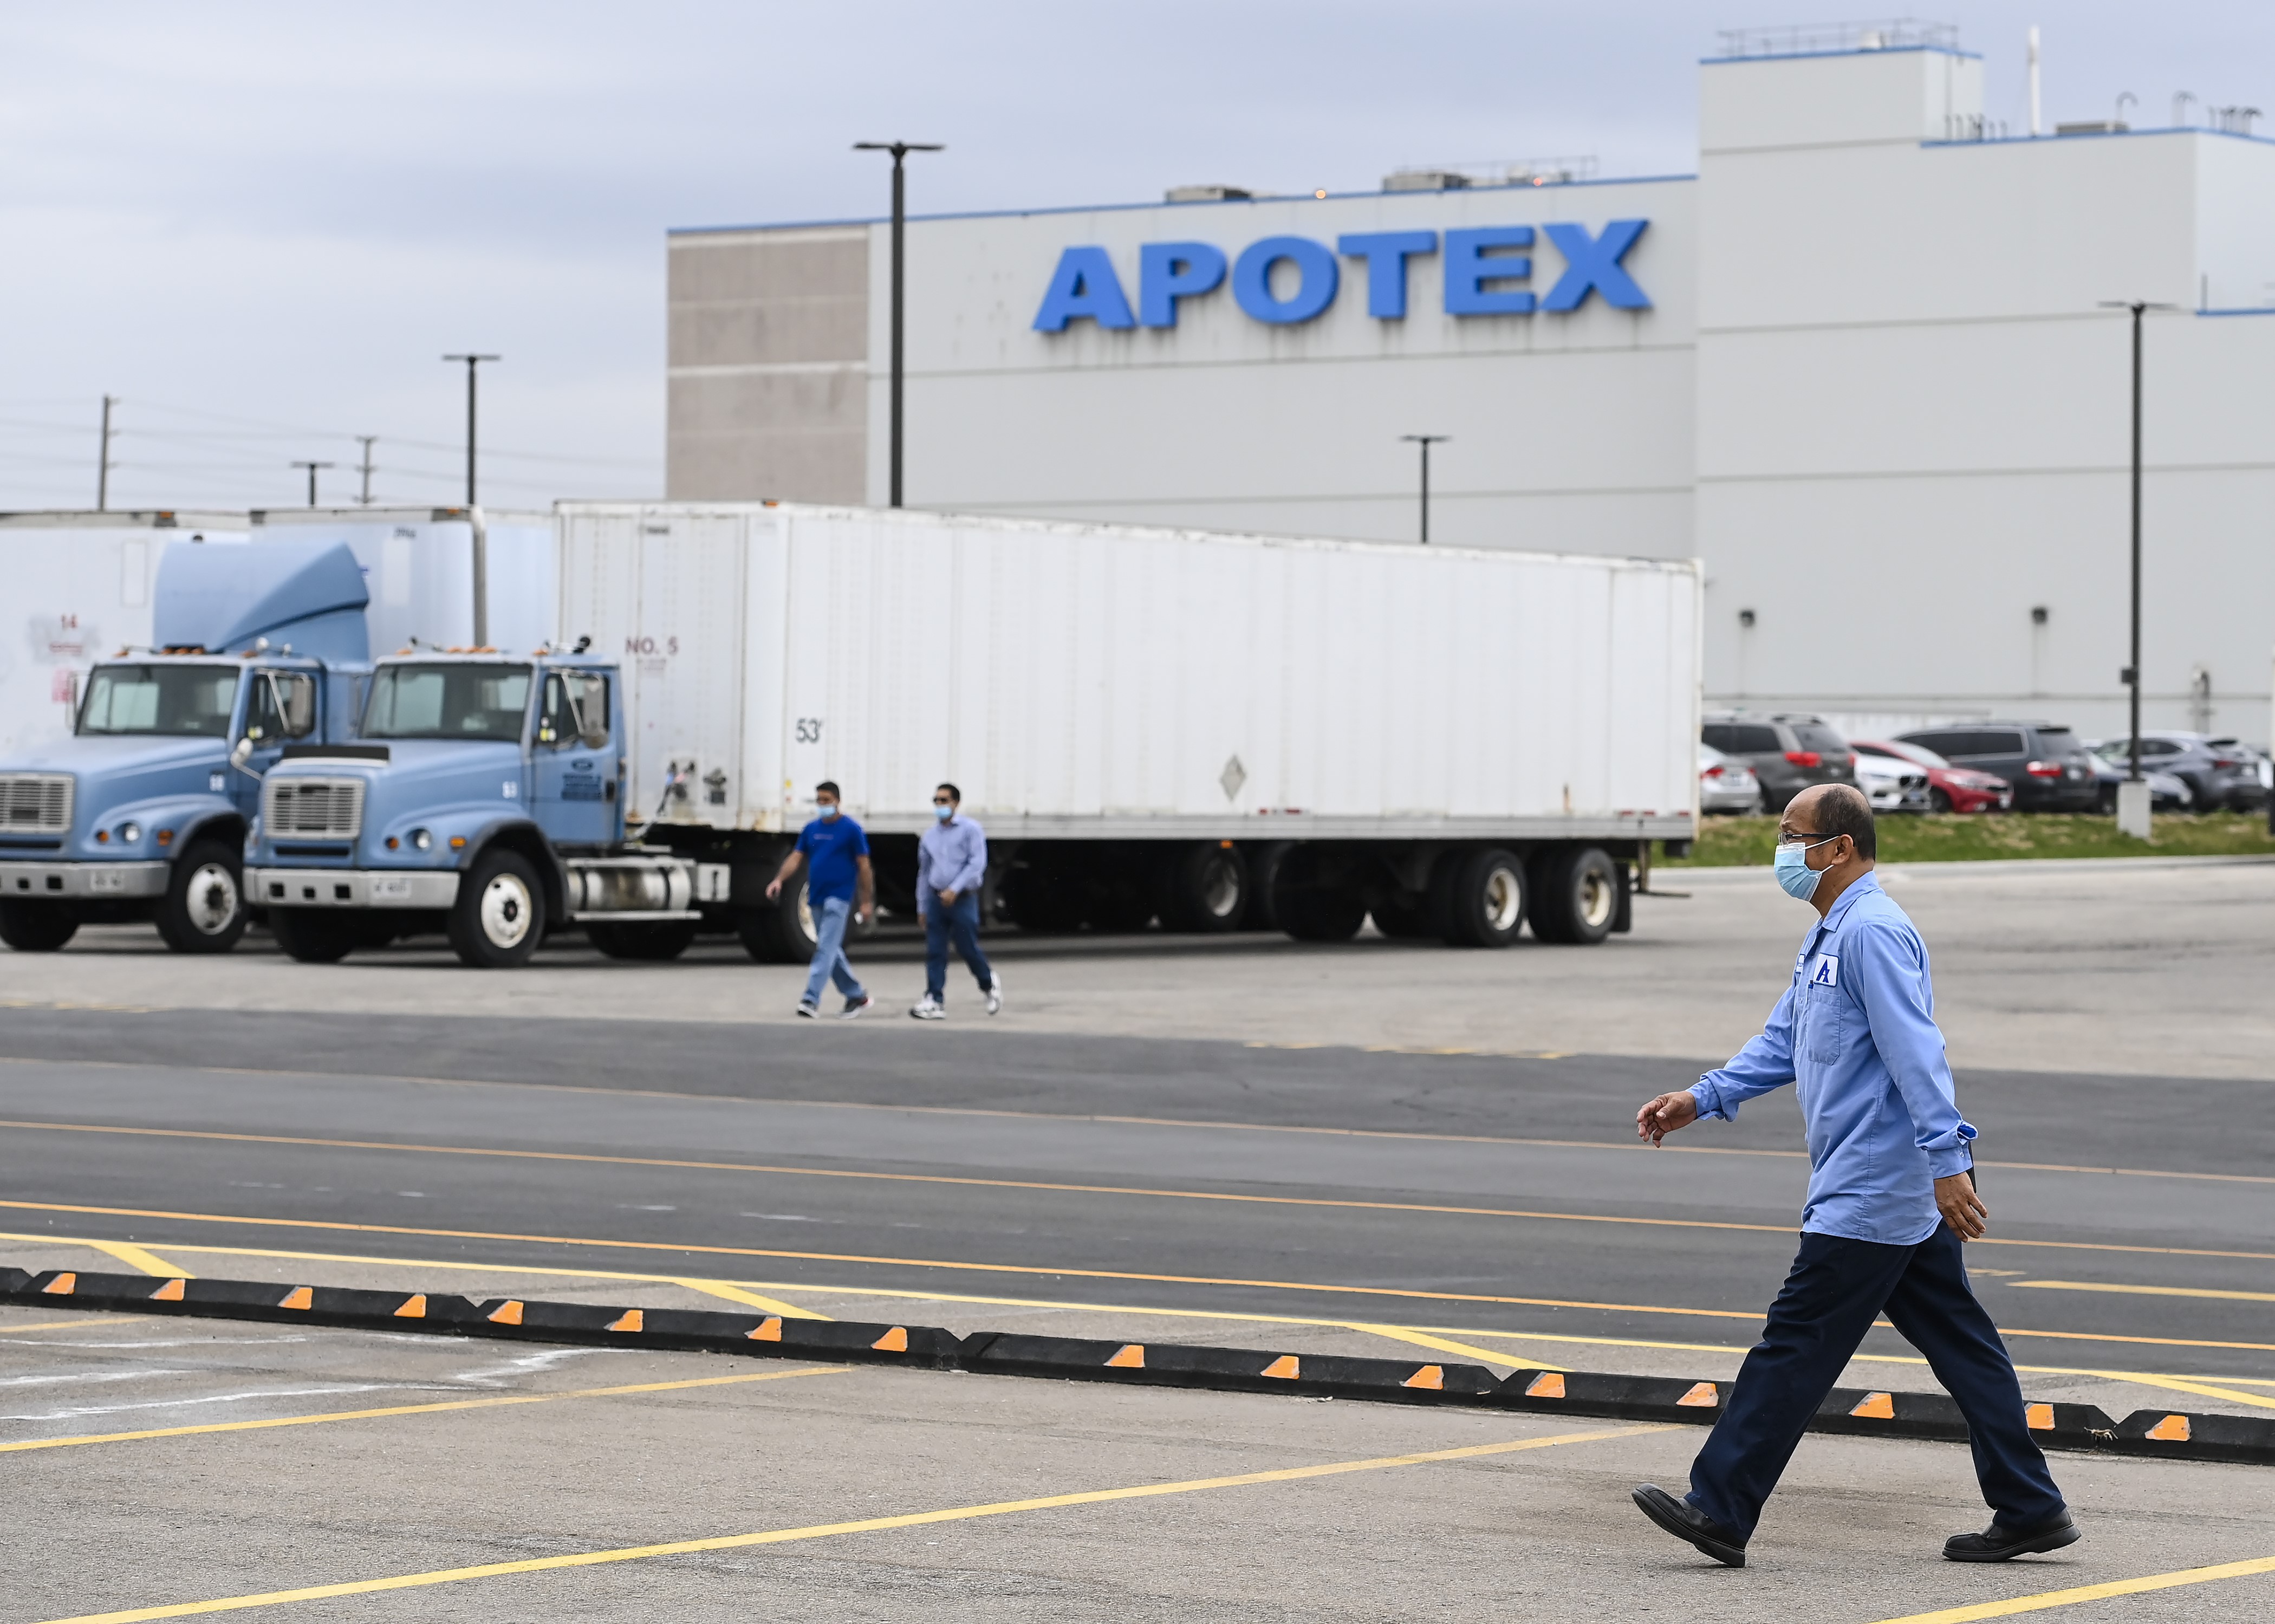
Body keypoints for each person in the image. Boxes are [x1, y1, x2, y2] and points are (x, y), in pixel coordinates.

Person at [1629, 783, 2074, 1569]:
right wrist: (1701, 1097)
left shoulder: (1872, 931)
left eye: (1792, 833)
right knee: (1964, 1344)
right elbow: (1782, 1041)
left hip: (1876, 1188)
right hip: (1889, 1186)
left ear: (1838, 848)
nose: (1781, 846)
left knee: (1793, 1342)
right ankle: (2031, 1506)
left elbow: (1917, 1052)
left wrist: (1949, 1161)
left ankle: (1721, 1506)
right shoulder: (1829, 935)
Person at [765, 781, 874, 1019]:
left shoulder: (851, 830)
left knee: (825, 948)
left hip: (840, 897)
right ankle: (857, 995)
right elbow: (796, 857)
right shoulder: (811, 829)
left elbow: (864, 867)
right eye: (820, 800)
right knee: (830, 949)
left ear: (837, 801)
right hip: (816, 897)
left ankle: (810, 999)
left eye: (827, 800)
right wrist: (779, 880)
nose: (823, 805)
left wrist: (866, 901)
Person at [910, 782, 1002, 1020]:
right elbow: (924, 872)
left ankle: (988, 983)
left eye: (945, 801)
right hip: (936, 898)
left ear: (956, 803)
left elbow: (976, 864)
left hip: (962, 898)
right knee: (935, 950)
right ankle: (934, 998)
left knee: (967, 946)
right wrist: (922, 906)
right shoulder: (930, 836)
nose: (940, 806)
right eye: (937, 801)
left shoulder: (970, 830)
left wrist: (955, 888)